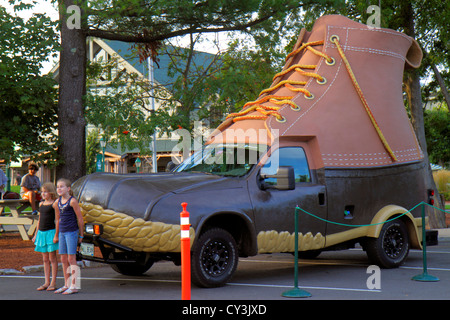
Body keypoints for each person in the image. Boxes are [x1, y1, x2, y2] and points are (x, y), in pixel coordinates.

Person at [54, 178, 84, 295]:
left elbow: (80, 219)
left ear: (68, 188)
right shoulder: (57, 202)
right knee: (63, 258)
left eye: (62, 186)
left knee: (71, 258)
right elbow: (57, 219)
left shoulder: (72, 201)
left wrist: (81, 235)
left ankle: (74, 285)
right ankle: (66, 284)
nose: (59, 189)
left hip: (71, 232)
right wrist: (56, 234)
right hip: (62, 232)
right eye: (57, 186)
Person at [32, 182, 59, 291]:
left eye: (45, 192)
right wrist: (35, 234)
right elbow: (39, 220)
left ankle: (53, 282)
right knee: (45, 259)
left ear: (51, 192)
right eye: (42, 191)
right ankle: (46, 282)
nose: (43, 194)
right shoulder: (41, 204)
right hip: (41, 234)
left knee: (52, 258)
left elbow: (57, 220)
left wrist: (56, 234)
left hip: (51, 233)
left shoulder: (55, 204)